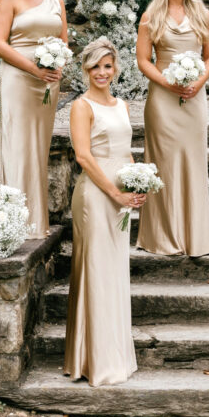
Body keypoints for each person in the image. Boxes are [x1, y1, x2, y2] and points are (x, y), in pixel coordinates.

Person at [65, 38, 139, 387]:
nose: (102, 72)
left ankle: (116, 355)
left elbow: (126, 153)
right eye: (95, 66)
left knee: (114, 273)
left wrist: (139, 185)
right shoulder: (81, 106)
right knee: (95, 272)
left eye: (107, 66)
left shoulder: (122, 104)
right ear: (86, 69)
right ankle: (93, 359)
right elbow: (83, 156)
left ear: (115, 69)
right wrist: (114, 194)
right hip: (96, 196)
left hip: (122, 194)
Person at [136, 0, 209, 257]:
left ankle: (194, 237)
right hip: (162, 99)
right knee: (164, 163)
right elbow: (143, 60)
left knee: (192, 162)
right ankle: (162, 236)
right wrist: (168, 83)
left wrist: (198, 82)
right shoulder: (151, 15)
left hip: (194, 98)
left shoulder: (202, 15)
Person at [0, 0, 67, 238]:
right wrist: (33, 68)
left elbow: (63, 41)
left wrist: (58, 65)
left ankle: (36, 222)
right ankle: (13, 220)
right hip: (18, 78)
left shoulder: (56, 1)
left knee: (38, 147)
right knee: (17, 144)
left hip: (48, 82)